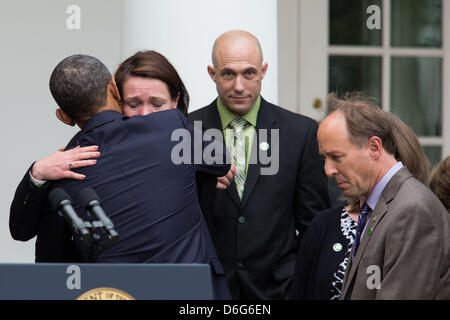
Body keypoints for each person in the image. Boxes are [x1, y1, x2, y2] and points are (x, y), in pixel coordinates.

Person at [10, 54, 232, 299]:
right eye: (135, 103)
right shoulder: (172, 129)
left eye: (156, 104)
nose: (147, 113)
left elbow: (43, 258)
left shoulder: (63, 172)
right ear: (114, 89)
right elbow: (221, 161)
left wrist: (38, 172)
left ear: (63, 116)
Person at [188, 30, 330, 300]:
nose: (239, 86)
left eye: (249, 73)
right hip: (207, 289)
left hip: (279, 290)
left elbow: (314, 223)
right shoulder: (187, 131)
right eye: (228, 73)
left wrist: (298, 279)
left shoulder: (299, 133)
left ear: (263, 71)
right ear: (212, 73)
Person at [290, 93, 431, 300]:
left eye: (337, 157)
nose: (328, 171)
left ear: (376, 149)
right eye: (325, 158)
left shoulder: (412, 211)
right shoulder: (328, 223)